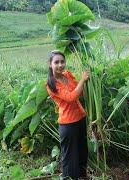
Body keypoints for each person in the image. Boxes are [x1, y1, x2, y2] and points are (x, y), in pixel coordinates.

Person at [46, 50, 90, 179]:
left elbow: (79, 91)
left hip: (80, 118)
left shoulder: (68, 75)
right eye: (56, 62)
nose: (60, 65)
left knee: (82, 152)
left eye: (62, 62)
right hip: (68, 124)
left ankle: (83, 177)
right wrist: (82, 79)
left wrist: (85, 82)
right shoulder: (51, 84)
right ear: (50, 64)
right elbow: (71, 97)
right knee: (70, 156)